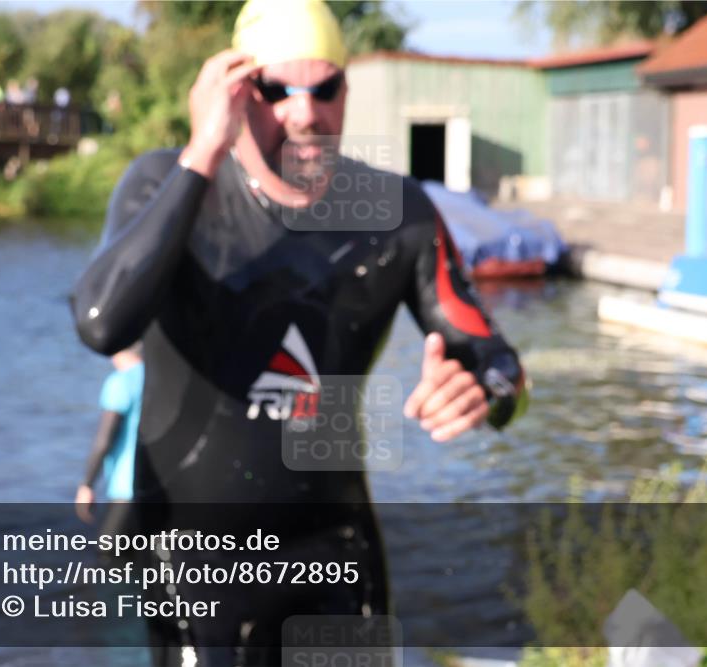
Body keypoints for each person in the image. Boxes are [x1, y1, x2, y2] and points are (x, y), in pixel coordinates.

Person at [70, 0, 527, 664]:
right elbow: (101, 322)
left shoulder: (396, 212)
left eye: (325, 89)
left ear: (347, 92)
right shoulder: (166, 185)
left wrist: (482, 388)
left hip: (337, 553)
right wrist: (203, 147)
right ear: (233, 90)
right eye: (276, 89)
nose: (305, 112)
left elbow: (498, 362)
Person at [75, 342, 145, 546]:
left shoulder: (120, 382)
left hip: (126, 486)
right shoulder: (156, 376)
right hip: (155, 486)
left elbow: (104, 439)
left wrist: (87, 485)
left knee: (107, 555)